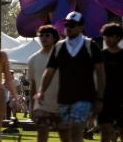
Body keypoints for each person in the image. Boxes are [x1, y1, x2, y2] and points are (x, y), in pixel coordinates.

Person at [38, 11, 106, 142]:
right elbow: (49, 71)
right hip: (64, 98)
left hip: (84, 97)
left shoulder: (90, 46)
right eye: (67, 24)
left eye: (72, 25)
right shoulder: (59, 47)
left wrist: (100, 98)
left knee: (76, 129)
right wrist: (41, 91)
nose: (68, 28)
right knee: (66, 134)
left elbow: (101, 73)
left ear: (81, 27)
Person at [27, 25, 62, 142]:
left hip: (61, 104)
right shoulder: (33, 59)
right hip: (41, 105)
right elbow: (33, 86)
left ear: (54, 38)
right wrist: (32, 107)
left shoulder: (62, 56)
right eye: (41, 35)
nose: (43, 38)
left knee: (66, 136)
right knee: (42, 135)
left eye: (47, 35)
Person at [100, 23, 123, 142]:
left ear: (118, 37)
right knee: (104, 130)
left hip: (121, 99)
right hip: (105, 99)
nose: (107, 39)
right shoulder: (101, 55)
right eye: (105, 36)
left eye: (110, 36)